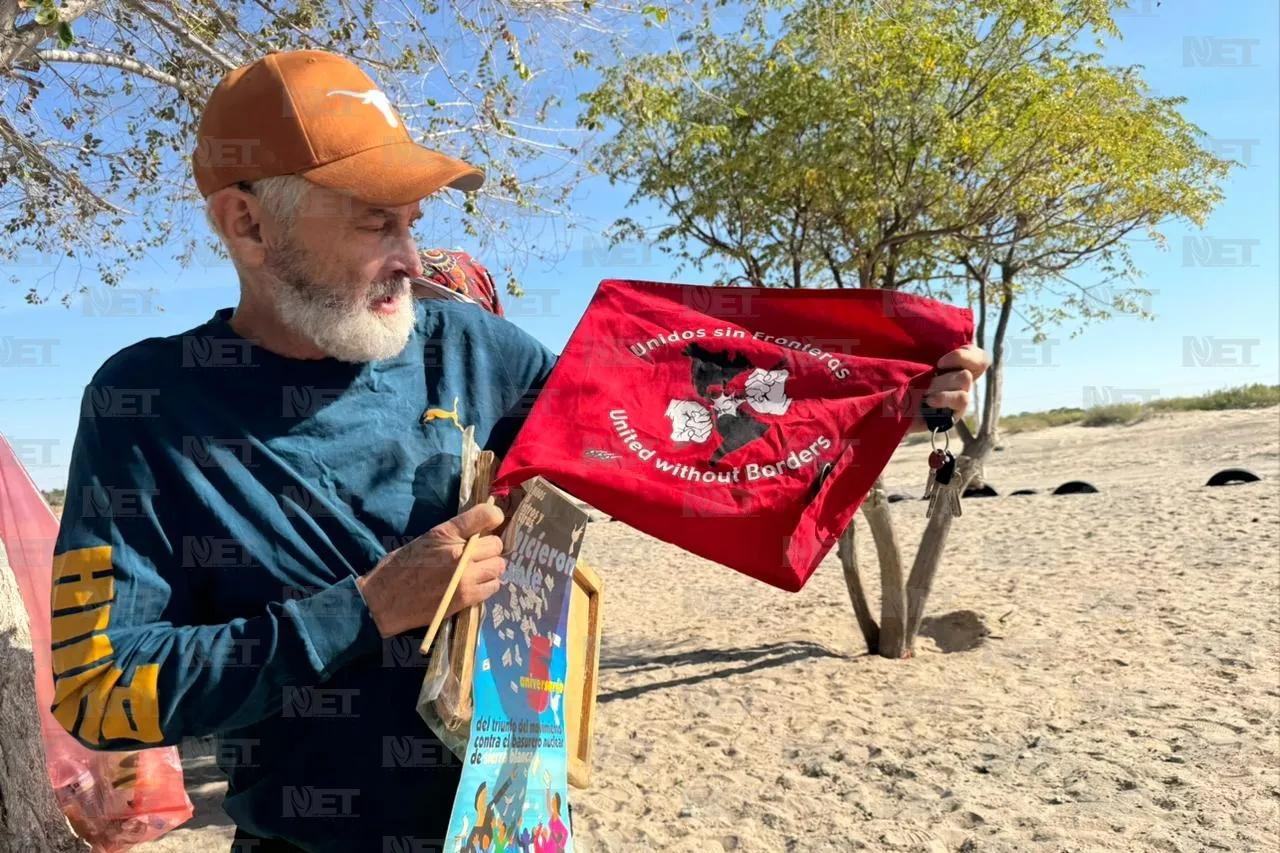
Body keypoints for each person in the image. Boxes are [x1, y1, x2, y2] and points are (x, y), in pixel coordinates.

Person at [48, 49, 988, 853]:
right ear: (246, 223)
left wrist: (886, 401)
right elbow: (100, 692)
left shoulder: (475, 352)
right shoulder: (150, 405)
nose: (412, 258)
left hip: (519, 822)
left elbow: (675, 429)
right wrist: (366, 608)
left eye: (413, 220)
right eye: (376, 218)